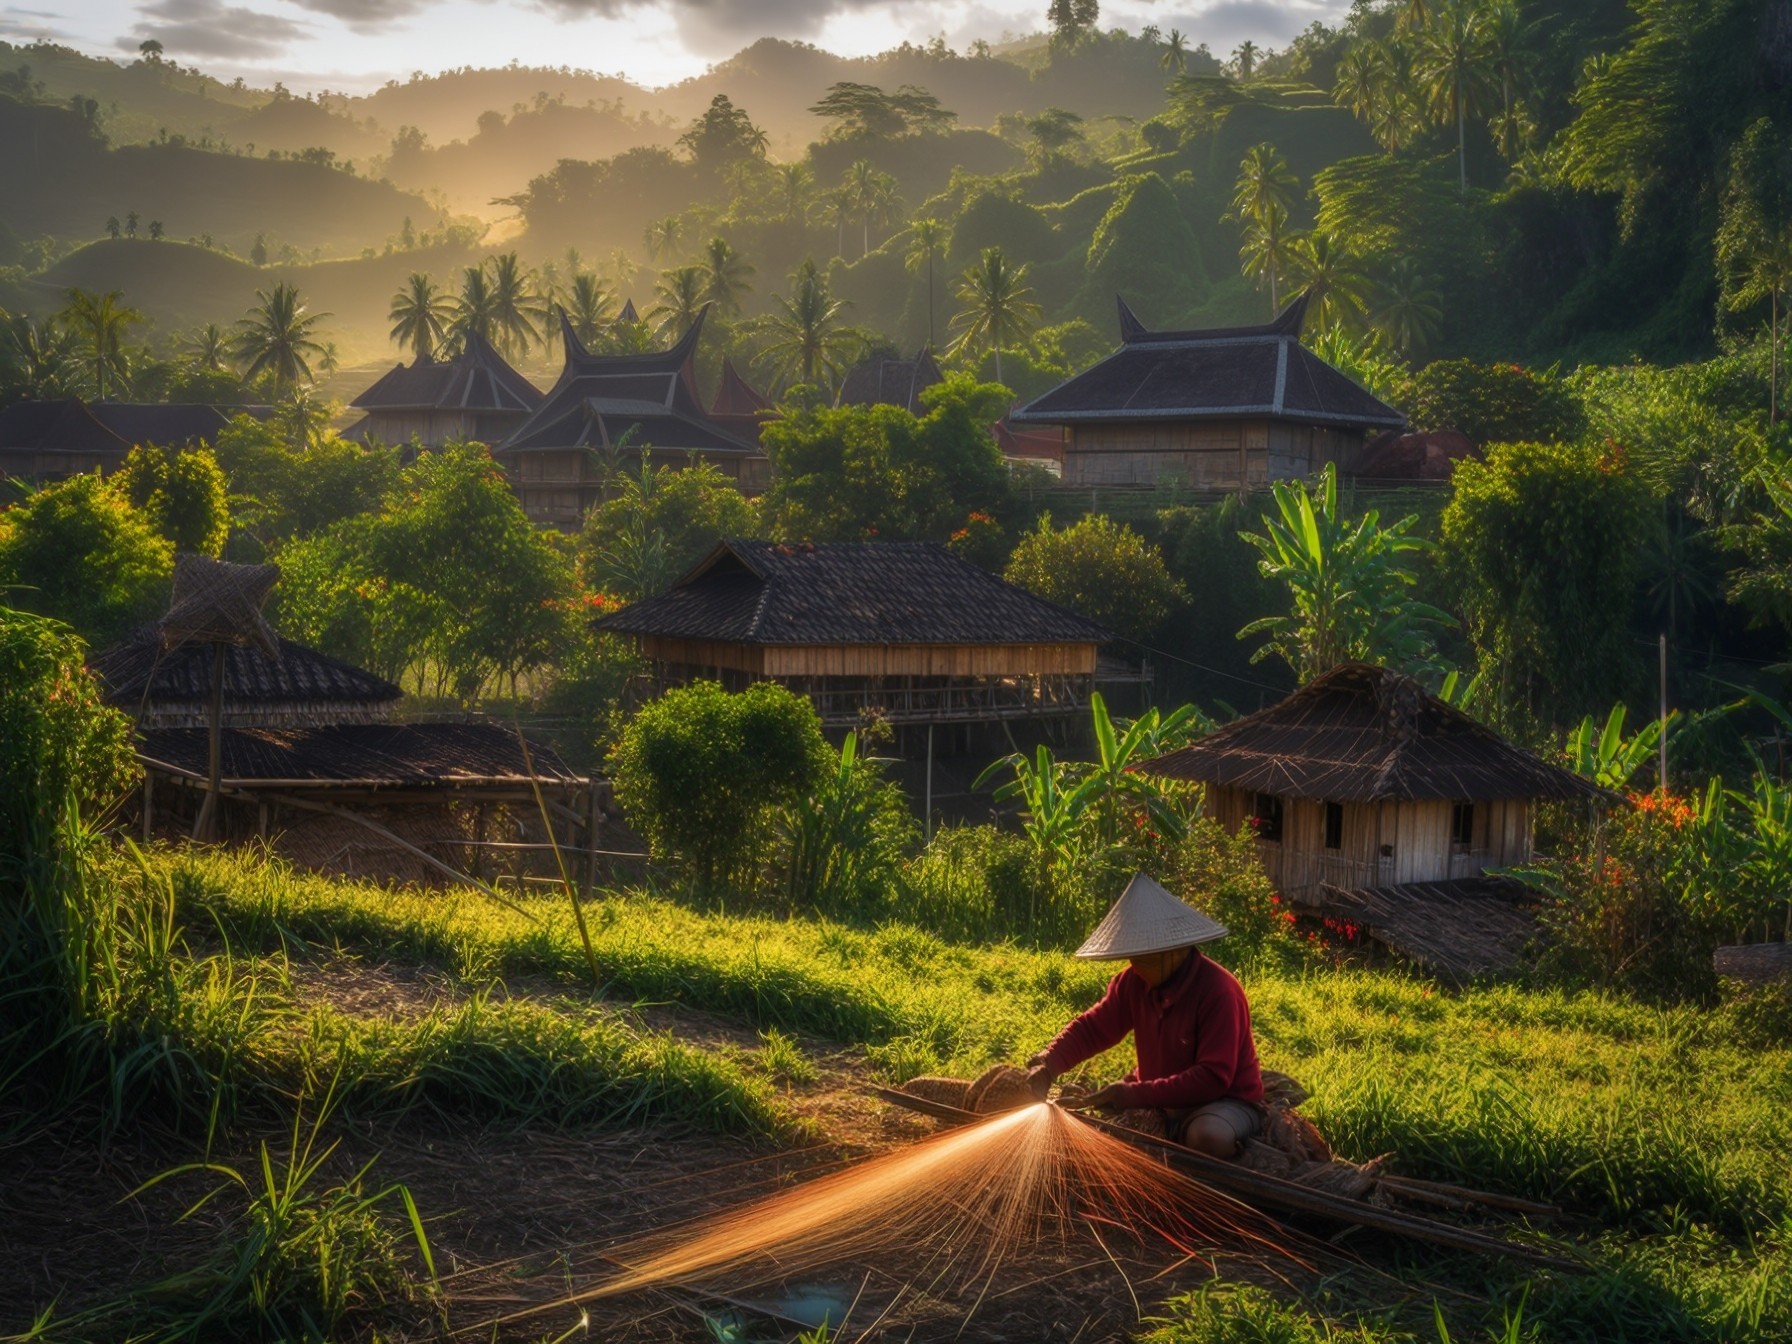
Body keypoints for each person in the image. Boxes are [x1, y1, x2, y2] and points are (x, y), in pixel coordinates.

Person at [1027, 873, 1264, 1159]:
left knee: (1207, 1136)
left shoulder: (1219, 991)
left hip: (1222, 1102)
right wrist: (1048, 1062)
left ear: (1177, 950)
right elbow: (1094, 1028)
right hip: (1161, 1098)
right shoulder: (1133, 982)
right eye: (1133, 956)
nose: (1136, 965)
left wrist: (1134, 1094)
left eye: (1146, 956)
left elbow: (1212, 1078)